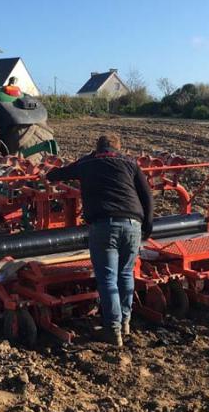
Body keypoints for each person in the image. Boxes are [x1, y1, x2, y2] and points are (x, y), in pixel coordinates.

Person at [46, 133, 154, 347]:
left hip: (104, 226)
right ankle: (125, 322)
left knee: (107, 279)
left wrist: (48, 175)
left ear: (97, 149)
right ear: (118, 148)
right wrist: (148, 226)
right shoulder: (130, 163)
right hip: (133, 225)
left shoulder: (88, 162)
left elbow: (57, 175)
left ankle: (112, 330)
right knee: (125, 274)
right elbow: (147, 195)